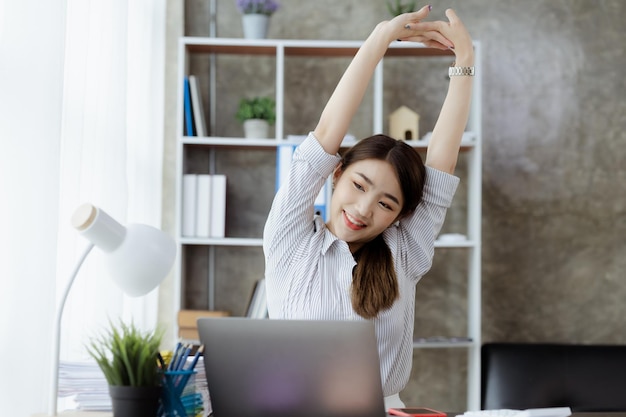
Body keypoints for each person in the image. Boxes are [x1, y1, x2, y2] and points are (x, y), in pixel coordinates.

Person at [263, 5, 474, 410]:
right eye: (359, 185)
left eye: (386, 203)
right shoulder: (289, 239)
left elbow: (443, 160)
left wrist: (463, 64)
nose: (362, 209)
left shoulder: (404, 252)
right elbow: (326, 134)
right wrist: (380, 38)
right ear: (337, 173)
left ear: (401, 215)